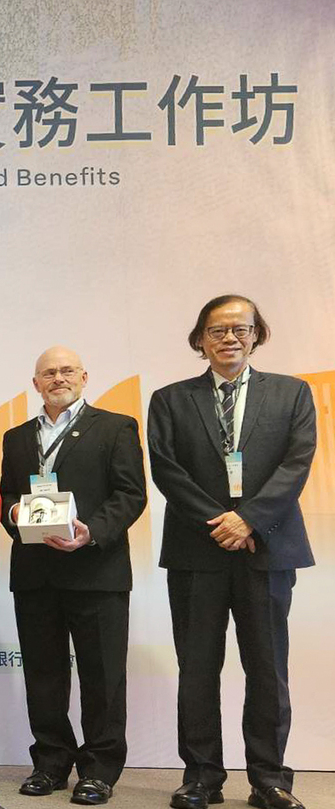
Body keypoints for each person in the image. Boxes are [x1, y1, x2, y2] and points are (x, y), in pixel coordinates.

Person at [149, 296, 315, 809]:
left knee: (267, 669)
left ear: (257, 334)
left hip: (267, 548)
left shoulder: (291, 393)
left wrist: (250, 519)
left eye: (240, 329)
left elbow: (296, 463)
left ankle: (269, 778)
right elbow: (166, 469)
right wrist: (222, 524)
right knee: (197, 668)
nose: (229, 339)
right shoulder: (170, 399)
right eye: (217, 331)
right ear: (200, 339)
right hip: (197, 551)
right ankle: (201, 777)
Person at [0, 347, 147, 806]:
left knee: (103, 677)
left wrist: (92, 533)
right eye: (48, 372)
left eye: (66, 371)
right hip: (36, 573)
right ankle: (50, 763)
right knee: (44, 675)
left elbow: (131, 494)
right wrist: (15, 513)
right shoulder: (17, 436)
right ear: (35, 382)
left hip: (96, 571)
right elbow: (7, 494)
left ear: (84, 376)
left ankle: (99, 769)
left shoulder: (115, 427)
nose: (57, 378)